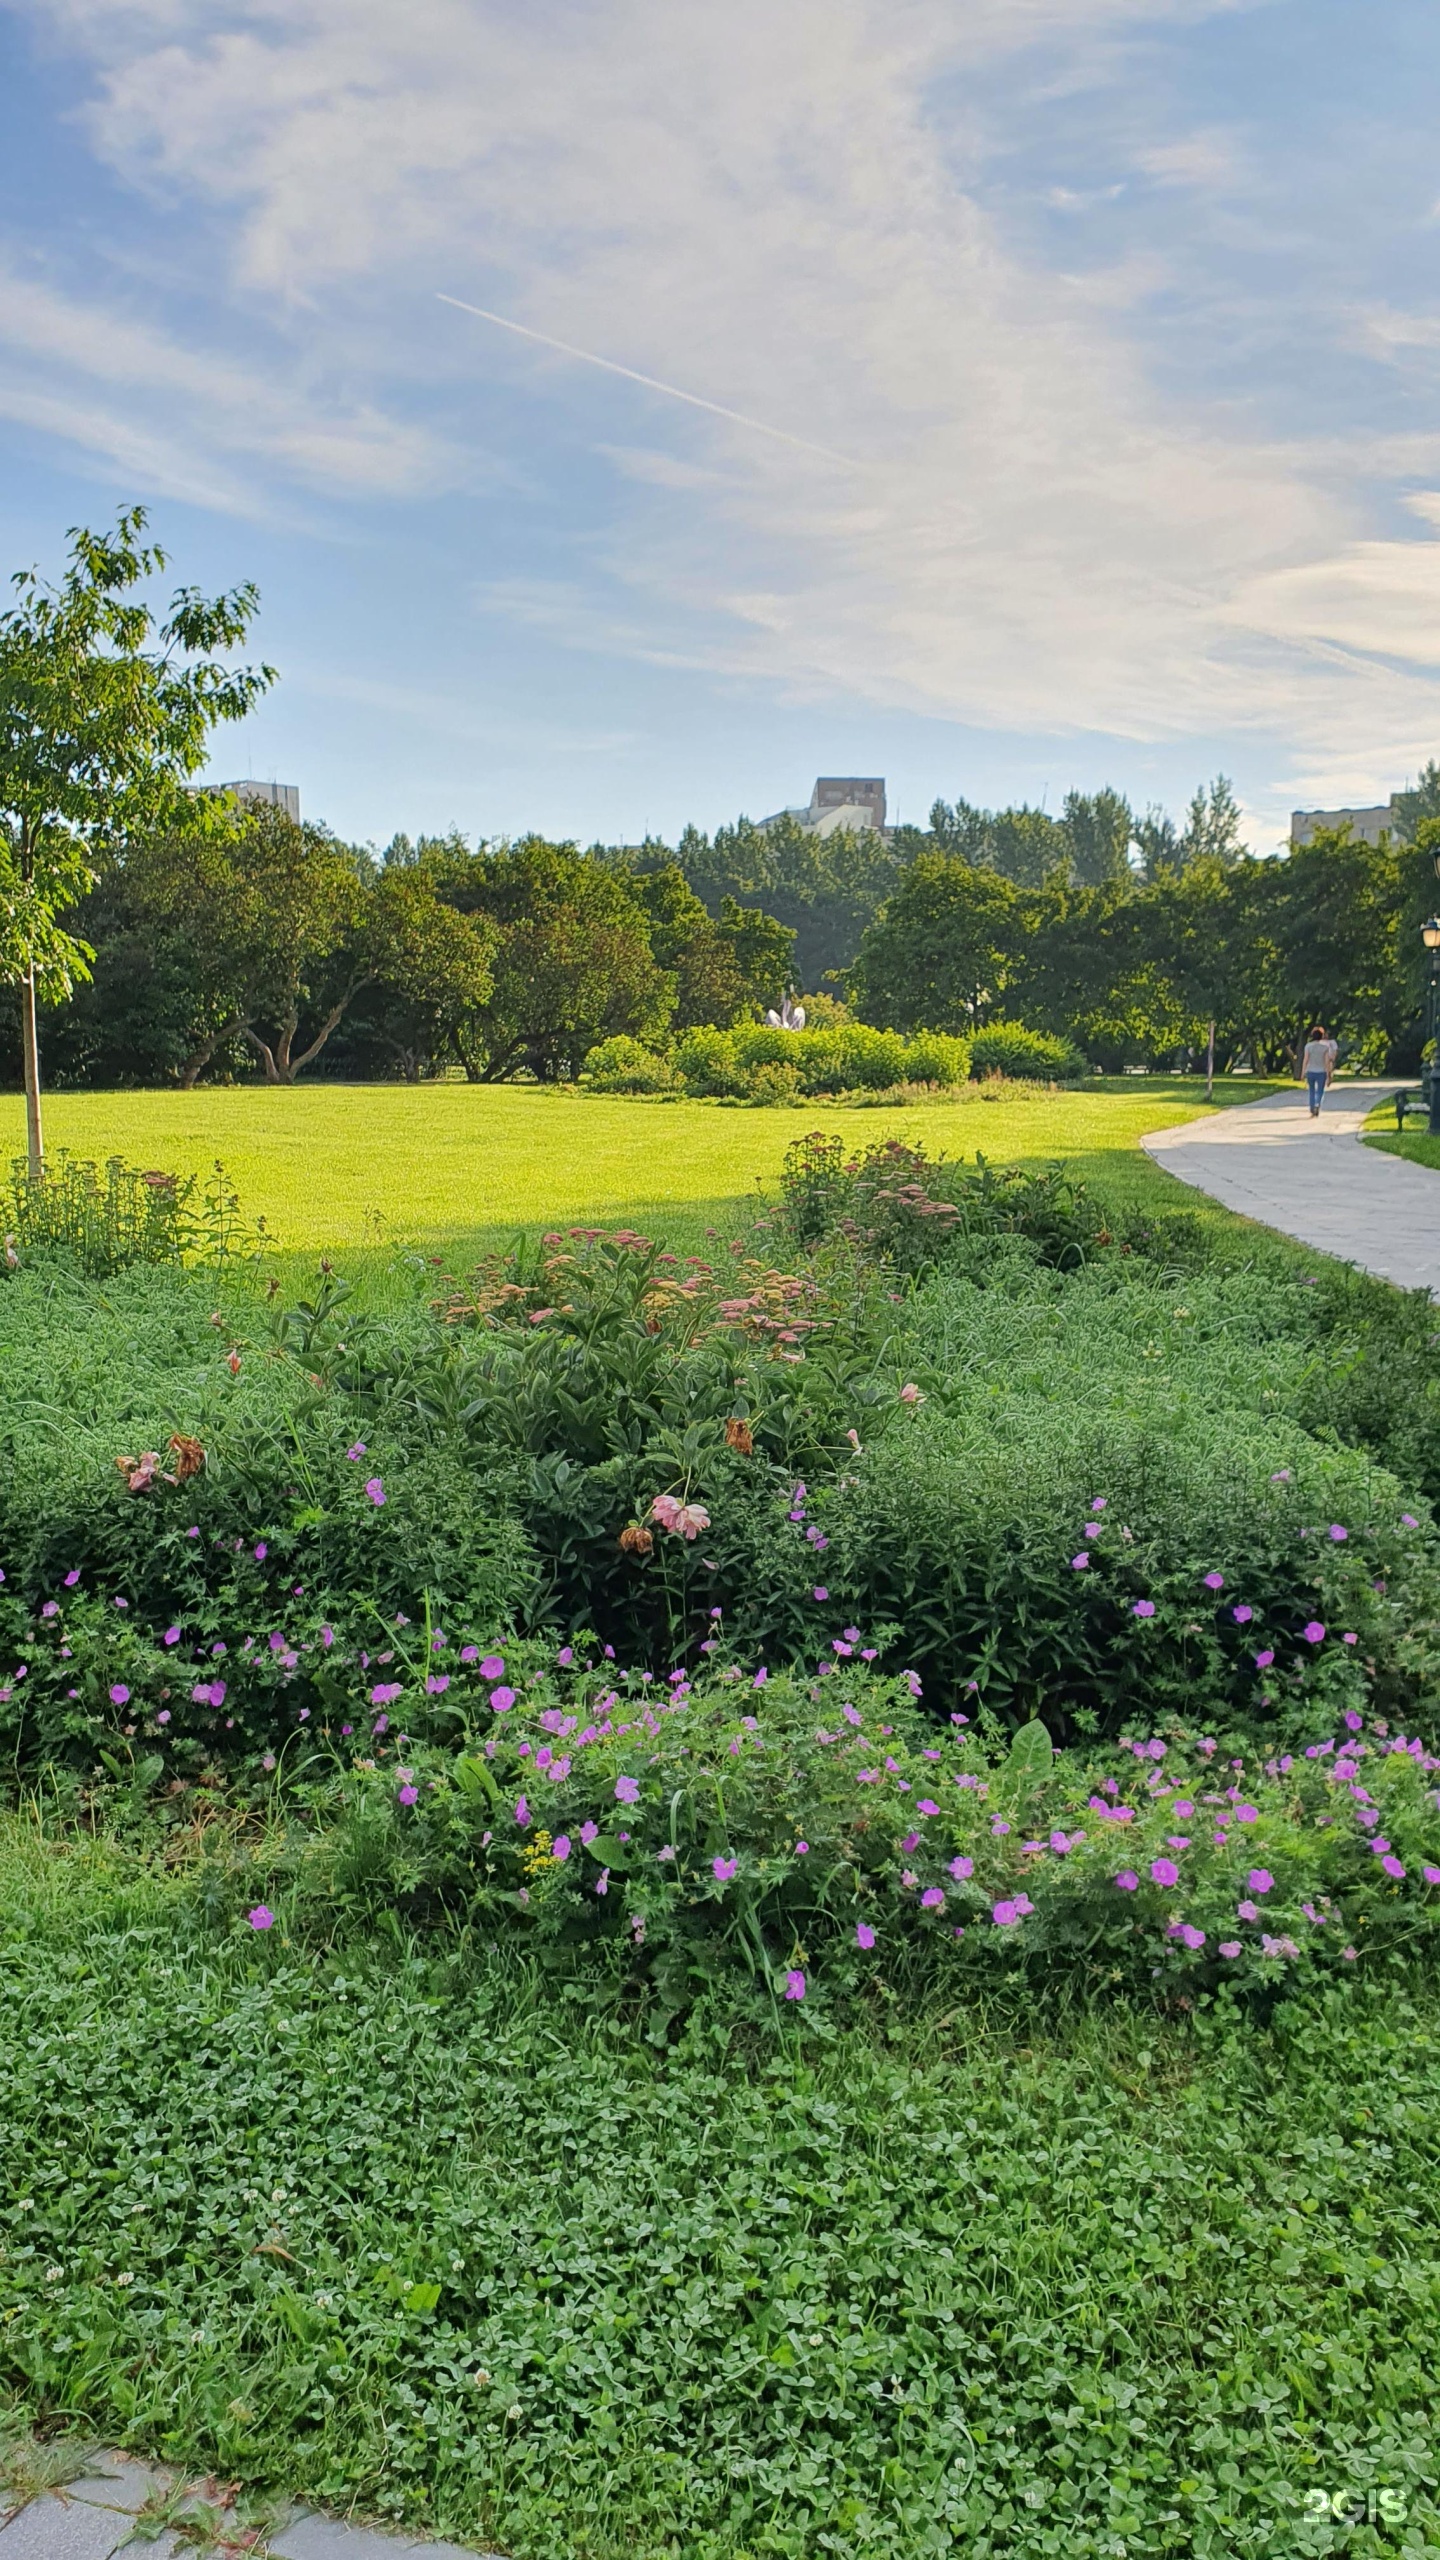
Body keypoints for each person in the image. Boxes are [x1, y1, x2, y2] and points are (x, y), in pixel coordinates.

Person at [1300, 1023, 1337, 1116]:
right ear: (1322, 1036)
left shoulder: (1308, 1046)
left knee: (1311, 1090)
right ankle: (1317, 1104)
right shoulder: (1325, 1047)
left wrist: (1303, 1072)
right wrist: (1329, 1074)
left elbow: (1306, 1060)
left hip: (1310, 1071)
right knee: (1320, 1090)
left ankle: (1312, 1107)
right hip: (1321, 1072)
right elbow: (1327, 1062)